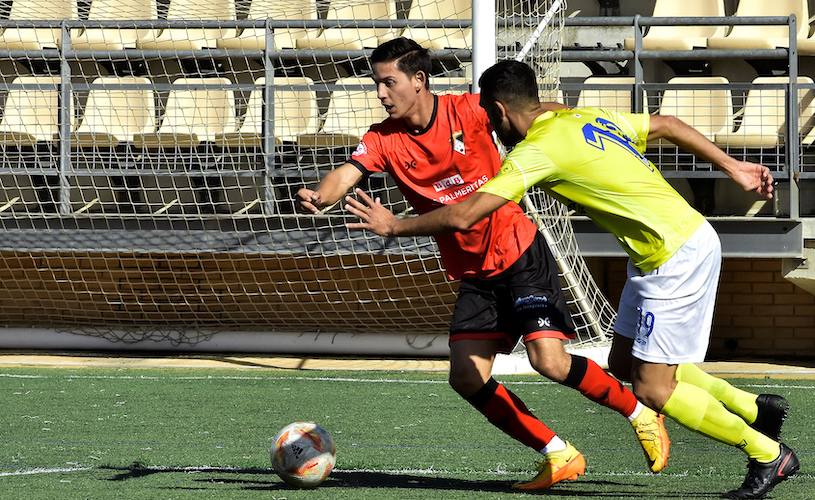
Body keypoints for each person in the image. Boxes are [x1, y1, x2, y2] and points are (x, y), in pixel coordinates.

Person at [344, 59, 799, 500]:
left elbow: (465, 214)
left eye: (489, 116)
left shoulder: (534, 153)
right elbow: (668, 123)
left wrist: (394, 226)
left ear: (500, 111)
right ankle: (755, 409)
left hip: (676, 254)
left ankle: (767, 453)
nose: (489, 128)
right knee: (623, 365)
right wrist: (733, 167)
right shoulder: (585, 117)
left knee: (653, 388)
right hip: (658, 251)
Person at [297, 38, 670, 490]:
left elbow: (527, 109)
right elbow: (346, 173)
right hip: (474, 272)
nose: (380, 93)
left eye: (388, 82)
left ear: (419, 80)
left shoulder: (469, 111)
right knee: (466, 376)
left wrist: (567, 119)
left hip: (518, 252)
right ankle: (557, 453)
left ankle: (639, 412)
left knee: (549, 362)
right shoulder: (382, 139)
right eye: (376, 84)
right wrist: (322, 195)